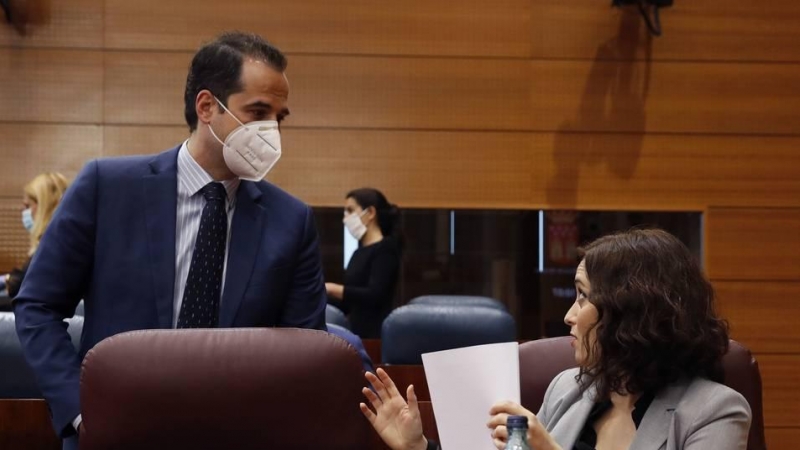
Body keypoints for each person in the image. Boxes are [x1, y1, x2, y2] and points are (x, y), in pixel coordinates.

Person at [13, 32, 327, 450]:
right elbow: (38, 306)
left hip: (237, 434)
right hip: (113, 431)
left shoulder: (292, 220)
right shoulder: (107, 187)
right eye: (257, 112)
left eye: (279, 117)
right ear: (207, 107)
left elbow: (306, 350)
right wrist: (80, 411)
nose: (271, 131)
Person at [360, 229, 751, 450]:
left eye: (582, 297)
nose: (569, 315)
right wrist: (419, 448)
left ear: (630, 311)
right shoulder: (569, 389)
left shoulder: (715, 411)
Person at [325, 188, 401, 338]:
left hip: (376, 335)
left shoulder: (386, 248)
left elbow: (376, 294)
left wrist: (333, 289)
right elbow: (350, 301)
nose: (345, 218)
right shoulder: (358, 252)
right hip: (355, 331)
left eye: (350, 210)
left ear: (371, 212)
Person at [1, 172, 69, 298]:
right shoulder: (54, 244)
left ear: (45, 206)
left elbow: (29, 291)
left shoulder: (53, 249)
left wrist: (10, 280)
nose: (23, 211)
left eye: (27, 206)